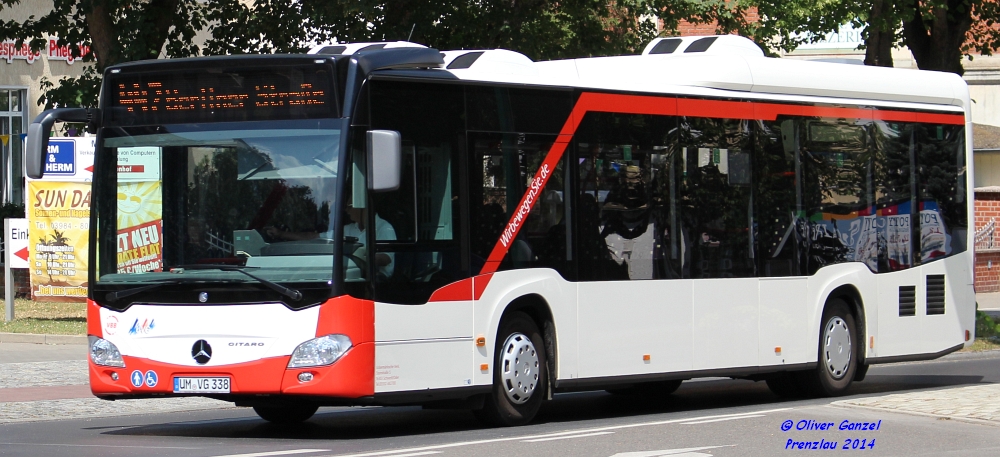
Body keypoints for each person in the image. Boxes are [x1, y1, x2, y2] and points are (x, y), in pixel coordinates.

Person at [266, 204, 396, 277]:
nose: (347, 211)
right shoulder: (349, 229)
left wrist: (356, 256)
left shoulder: (384, 228)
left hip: (376, 282)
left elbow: (385, 258)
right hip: (348, 276)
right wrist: (281, 234)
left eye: (349, 206)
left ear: (362, 206)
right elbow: (314, 237)